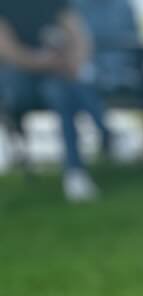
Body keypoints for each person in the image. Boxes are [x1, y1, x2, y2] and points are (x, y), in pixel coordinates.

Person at [0, 0, 104, 200]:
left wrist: (74, 61)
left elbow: (79, 36)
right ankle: (102, 128)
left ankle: (75, 172)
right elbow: (9, 51)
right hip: (18, 79)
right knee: (65, 90)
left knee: (60, 93)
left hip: (53, 76)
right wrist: (46, 61)